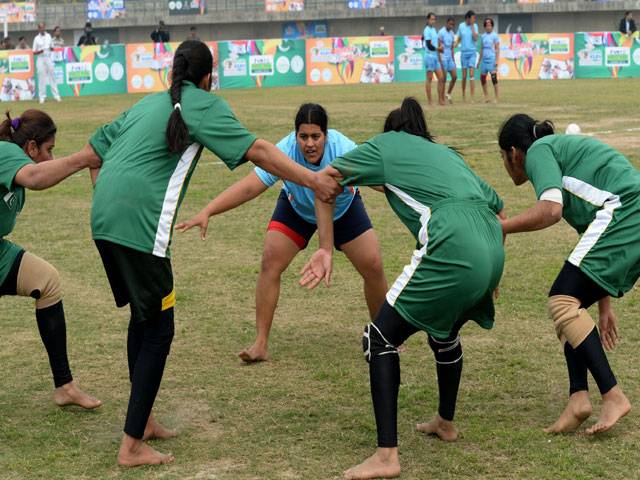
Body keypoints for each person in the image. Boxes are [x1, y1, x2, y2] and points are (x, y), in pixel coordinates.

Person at [87, 40, 341, 468]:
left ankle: (142, 420)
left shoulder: (149, 104)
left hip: (103, 221)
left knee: (143, 317)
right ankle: (132, 445)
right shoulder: (200, 103)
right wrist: (313, 181)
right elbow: (258, 151)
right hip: (137, 229)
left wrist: (104, 200)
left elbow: (94, 155)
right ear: (207, 76)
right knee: (159, 330)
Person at [301, 98, 505, 480]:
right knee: (444, 334)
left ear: (392, 130)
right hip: (490, 244)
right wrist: (491, 272)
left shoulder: (386, 144)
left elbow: (325, 181)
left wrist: (325, 248)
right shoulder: (445, 155)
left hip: (453, 242)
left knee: (378, 339)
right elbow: (498, 209)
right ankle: (445, 422)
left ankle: (386, 456)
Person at [177, 104, 388, 364]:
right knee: (270, 261)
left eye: (316, 136)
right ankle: (260, 344)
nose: (309, 143)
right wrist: (208, 210)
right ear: (295, 135)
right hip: (296, 208)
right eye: (303, 136)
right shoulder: (286, 150)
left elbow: (379, 178)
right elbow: (249, 187)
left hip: (344, 211)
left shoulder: (343, 148)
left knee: (374, 265)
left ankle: (383, 339)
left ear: (327, 135)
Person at [497, 114, 637, 435]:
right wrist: (603, 307)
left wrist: (501, 226)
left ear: (515, 153)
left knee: (561, 301)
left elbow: (550, 210)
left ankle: (613, 396)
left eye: (503, 157)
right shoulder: (562, 154)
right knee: (571, 307)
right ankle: (578, 399)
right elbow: (590, 237)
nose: (507, 164)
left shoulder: (540, 151)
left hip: (625, 211)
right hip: (627, 213)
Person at [0, 109, 102, 412]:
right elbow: (35, 177)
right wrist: (84, 158)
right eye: (49, 150)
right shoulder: (5, 151)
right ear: (31, 147)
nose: (50, 158)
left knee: (46, 281)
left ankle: (65, 387)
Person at [32, 22, 61, 104]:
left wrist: (51, 48)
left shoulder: (48, 36)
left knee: (52, 76)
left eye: (43, 27)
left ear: (45, 27)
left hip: (48, 58)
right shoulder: (36, 38)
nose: (42, 29)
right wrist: (40, 51)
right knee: (41, 78)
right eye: (41, 27)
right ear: (38, 29)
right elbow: (33, 52)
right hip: (40, 58)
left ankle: (56, 95)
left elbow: (52, 47)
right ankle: (42, 97)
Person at [455, 10, 479, 101]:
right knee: (464, 76)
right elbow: (459, 37)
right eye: (473, 18)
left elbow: (475, 38)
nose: (474, 20)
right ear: (468, 18)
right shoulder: (461, 26)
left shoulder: (475, 26)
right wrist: (455, 44)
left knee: (472, 75)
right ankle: (463, 95)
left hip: (472, 52)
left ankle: (472, 97)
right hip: (464, 53)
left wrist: (472, 27)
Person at [422, 13, 444, 106]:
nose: (433, 21)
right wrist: (438, 49)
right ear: (427, 20)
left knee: (441, 78)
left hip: (435, 57)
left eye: (434, 19)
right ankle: (430, 101)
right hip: (429, 56)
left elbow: (435, 42)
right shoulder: (426, 30)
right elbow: (428, 45)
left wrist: (440, 47)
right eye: (431, 19)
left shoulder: (434, 30)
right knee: (429, 79)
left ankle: (440, 100)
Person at [477, 18, 500, 103]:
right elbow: (481, 49)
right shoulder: (482, 36)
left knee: (494, 78)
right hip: (484, 60)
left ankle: (497, 97)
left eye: (490, 25)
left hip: (492, 59)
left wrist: (497, 61)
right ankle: (487, 97)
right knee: (482, 78)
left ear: (492, 26)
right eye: (487, 25)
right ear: (484, 26)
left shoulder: (495, 36)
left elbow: (497, 49)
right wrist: (479, 61)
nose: (488, 26)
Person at [438, 17, 457, 104]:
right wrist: (440, 60)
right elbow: (439, 47)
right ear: (446, 23)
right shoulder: (441, 33)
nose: (451, 26)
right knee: (443, 79)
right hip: (443, 58)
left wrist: (453, 59)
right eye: (450, 24)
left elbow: (452, 48)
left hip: (450, 59)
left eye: (452, 25)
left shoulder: (452, 33)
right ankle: (441, 99)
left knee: (454, 77)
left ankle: (448, 93)